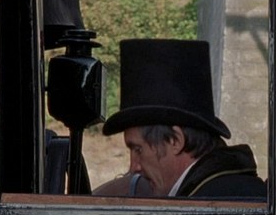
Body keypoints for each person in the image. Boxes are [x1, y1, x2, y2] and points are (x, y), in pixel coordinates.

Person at [100, 39, 264, 198]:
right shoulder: (227, 191)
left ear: (175, 140)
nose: (133, 167)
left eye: (138, 150)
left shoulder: (212, 201)